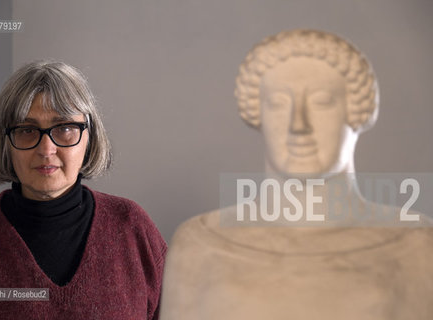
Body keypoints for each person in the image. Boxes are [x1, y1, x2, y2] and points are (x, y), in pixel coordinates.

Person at [160, 30, 433, 319]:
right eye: (278, 103)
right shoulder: (199, 245)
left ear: (357, 110)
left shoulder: (415, 246)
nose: (298, 125)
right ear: (256, 111)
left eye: (322, 101)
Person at [0, 60, 167, 319]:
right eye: (27, 130)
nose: (46, 149)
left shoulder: (132, 227)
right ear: (5, 142)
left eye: (65, 128)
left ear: (90, 136)